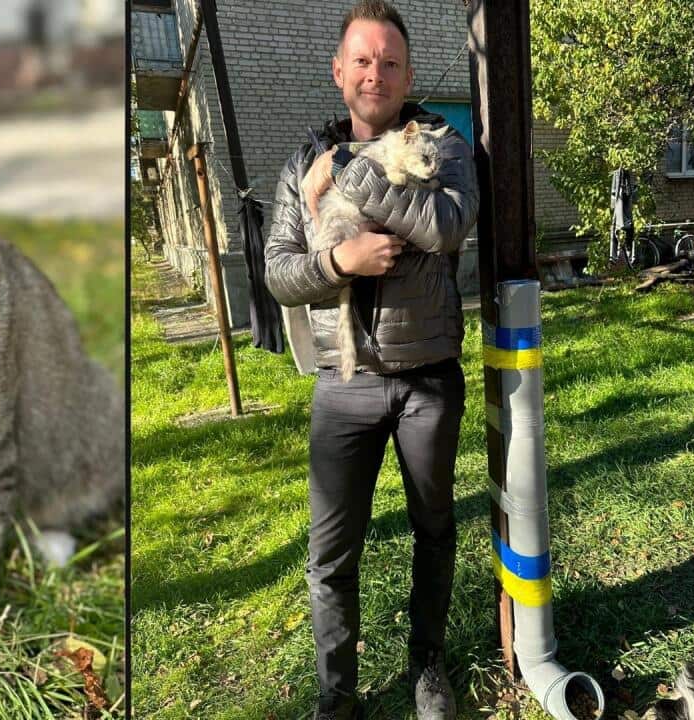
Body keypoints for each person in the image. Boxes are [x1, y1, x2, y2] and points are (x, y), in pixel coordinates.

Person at [262, 2, 480, 719]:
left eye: (389, 61)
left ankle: (428, 668)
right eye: (362, 60)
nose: (375, 74)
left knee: (433, 529)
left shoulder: (443, 141)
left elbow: (445, 225)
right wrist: (340, 259)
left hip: (428, 380)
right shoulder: (302, 161)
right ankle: (337, 695)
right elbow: (280, 273)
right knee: (331, 555)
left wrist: (351, 179)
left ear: (408, 73)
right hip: (344, 382)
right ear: (338, 71)